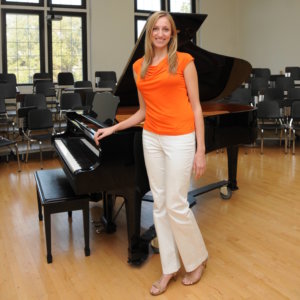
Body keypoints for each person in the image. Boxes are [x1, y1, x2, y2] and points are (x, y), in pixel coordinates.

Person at [94, 11, 208, 296]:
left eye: (165, 29)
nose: (160, 33)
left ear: (172, 34)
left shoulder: (184, 61)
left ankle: (196, 259)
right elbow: (143, 111)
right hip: (151, 138)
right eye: (155, 28)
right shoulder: (139, 66)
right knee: (159, 204)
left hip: (181, 138)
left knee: (176, 203)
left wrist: (201, 149)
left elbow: (196, 107)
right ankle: (169, 267)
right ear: (148, 32)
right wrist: (114, 129)